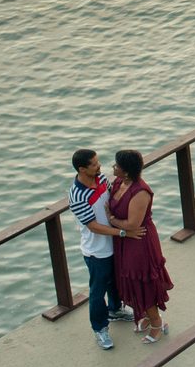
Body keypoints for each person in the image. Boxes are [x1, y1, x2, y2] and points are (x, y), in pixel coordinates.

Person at [68, 149, 144, 350]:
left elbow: (113, 198)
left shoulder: (101, 179)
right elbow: (92, 226)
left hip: (114, 245)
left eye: (98, 162)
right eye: (94, 164)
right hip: (97, 251)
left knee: (115, 281)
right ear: (82, 169)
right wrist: (122, 233)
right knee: (97, 290)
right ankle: (99, 328)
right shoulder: (77, 195)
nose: (99, 166)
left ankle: (115, 309)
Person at [107, 149, 175, 344]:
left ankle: (157, 323)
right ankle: (145, 316)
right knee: (128, 277)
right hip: (123, 240)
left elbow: (132, 225)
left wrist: (111, 218)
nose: (113, 167)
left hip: (139, 241)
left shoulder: (140, 191)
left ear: (126, 171)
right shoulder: (118, 183)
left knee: (142, 281)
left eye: (117, 166)